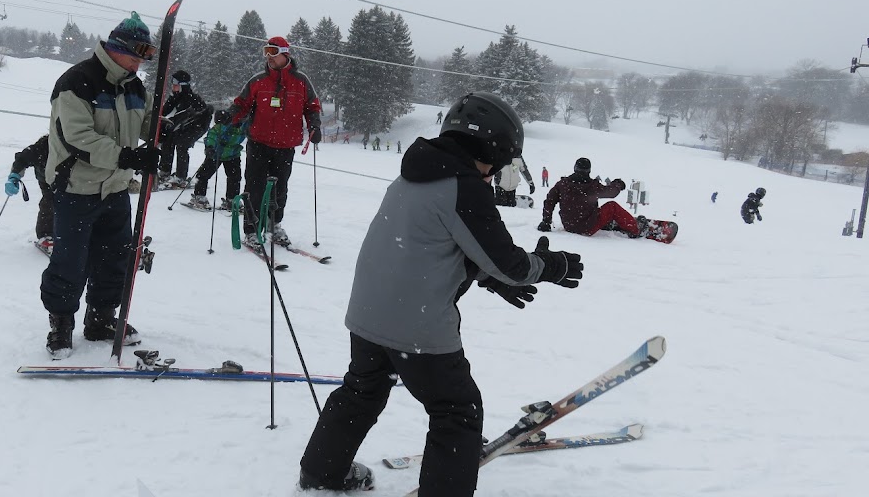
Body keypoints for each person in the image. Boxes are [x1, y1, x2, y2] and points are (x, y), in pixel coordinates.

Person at [298, 92, 583, 495]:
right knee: (457, 411)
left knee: (362, 389)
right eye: (494, 164)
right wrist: (553, 266)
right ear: (489, 149)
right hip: (415, 327)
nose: (491, 173)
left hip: (366, 315)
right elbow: (510, 263)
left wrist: (487, 276)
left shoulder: (414, 173)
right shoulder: (463, 187)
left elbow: (430, 246)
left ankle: (320, 474)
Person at [39, 12, 161, 359]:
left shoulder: (134, 87)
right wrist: (128, 157)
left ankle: (101, 318)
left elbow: (148, 125)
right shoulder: (77, 81)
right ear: (115, 49)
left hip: (115, 188)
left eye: (144, 57)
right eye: (135, 55)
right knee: (70, 260)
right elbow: (77, 138)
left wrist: (174, 127)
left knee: (115, 258)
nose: (139, 63)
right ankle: (61, 323)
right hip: (76, 186)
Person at [227, 36, 321, 248]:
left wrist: (314, 125)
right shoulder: (258, 80)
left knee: (280, 189)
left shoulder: (301, 81)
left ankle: (273, 224)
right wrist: (230, 115)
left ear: (285, 53)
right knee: (255, 187)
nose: (268, 57)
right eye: (265, 52)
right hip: (259, 143)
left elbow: (312, 106)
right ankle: (251, 230)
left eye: (272, 51)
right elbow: (241, 103)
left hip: (286, 145)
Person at [538, 158, 646, 238]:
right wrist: (618, 184)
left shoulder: (563, 184)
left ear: (575, 168)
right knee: (612, 207)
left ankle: (608, 223)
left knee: (593, 211)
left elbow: (549, 201)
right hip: (588, 227)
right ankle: (635, 229)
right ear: (589, 171)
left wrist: (546, 221)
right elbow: (611, 192)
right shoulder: (592, 186)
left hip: (569, 225)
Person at [158, 70, 210, 188]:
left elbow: (196, 114)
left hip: (197, 126)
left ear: (183, 86)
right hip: (183, 125)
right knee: (167, 140)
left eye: (176, 84)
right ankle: (164, 171)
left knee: (182, 144)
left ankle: (181, 177)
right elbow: (163, 111)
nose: (173, 87)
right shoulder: (175, 96)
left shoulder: (191, 98)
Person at [187, 110, 248, 210]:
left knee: (235, 177)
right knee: (203, 175)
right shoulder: (225, 123)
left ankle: (232, 199)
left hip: (233, 154)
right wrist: (210, 146)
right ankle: (199, 196)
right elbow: (213, 134)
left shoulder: (246, 125)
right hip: (216, 153)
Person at [5, 134, 54, 253]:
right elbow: (22, 159)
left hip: (71, 178)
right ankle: (45, 235)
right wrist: (14, 176)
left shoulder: (77, 141)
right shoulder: (43, 145)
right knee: (50, 201)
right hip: (46, 178)